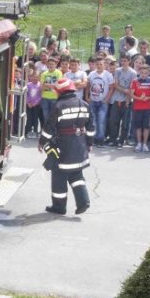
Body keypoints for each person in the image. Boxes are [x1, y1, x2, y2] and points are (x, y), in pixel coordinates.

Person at [39, 77, 93, 215]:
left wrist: (42, 142)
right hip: (80, 145)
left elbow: (49, 128)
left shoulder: (58, 106)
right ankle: (83, 202)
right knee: (77, 175)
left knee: (59, 177)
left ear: (60, 91)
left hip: (63, 147)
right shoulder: (84, 104)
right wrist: (89, 143)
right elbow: (91, 128)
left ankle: (59, 207)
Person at [108, 55, 137, 148]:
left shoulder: (133, 73)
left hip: (127, 100)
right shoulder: (117, 71)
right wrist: (125, 90)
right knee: (113, 121)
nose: (123, 62)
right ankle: (113, 139)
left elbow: (132, 88)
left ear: (129, 61)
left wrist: (128, 99)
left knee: (125, 123)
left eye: (125, 60)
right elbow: (116, 84)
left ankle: (122, 140)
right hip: (117, 99)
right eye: (122, 60)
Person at [86, 56, 113, 147]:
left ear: (104, 65)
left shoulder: (108, 75)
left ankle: (100, 140)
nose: (99, 66)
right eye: (97, 64)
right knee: (93, 121)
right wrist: (87, 96)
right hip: (93, 101)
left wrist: (107, 99)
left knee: (101, 120)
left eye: (101, 64)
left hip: (103, 102)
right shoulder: (92, 74)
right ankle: (94, 139)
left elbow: (111, 88)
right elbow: (88, 85)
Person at [130, 63, 150, 152]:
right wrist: (139, 98)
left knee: (146, 127)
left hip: (147, 107)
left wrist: (148, 98)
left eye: (146, 73)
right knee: (138, 127)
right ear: (139, 72)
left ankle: (145, 144)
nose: (143, 74)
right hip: (137, 107)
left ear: (149, 73)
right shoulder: (135, 81)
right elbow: (131, 94)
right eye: (142, 72)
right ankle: (139, 144)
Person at [40, 56, 63, 127]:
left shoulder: (58, 73)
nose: (51, 65)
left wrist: (46, 84)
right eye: (49, 64)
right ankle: (47, 130)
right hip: (45, 98)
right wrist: (51, 85)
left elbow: (57, 85)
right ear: (47, 64)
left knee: (53, 115)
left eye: (53, 64)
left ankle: (54, 130)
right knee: (45, 115)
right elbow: (41, 87)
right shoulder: (44, 74)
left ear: (56, 65)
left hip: (54, 97)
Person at [25, 67, 42, 138]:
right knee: (29, 118)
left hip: (36, 105)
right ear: (31, 77)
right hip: (29, 105)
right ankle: (27, 131)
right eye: (33, 77)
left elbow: (40, 95)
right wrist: (28, 102)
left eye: (36, 77)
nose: (35, 79)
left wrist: (35, 103)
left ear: (39, 78)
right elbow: (26, 94)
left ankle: (35, 131)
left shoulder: (40, 85)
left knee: (35, 118)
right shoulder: (28, 85)